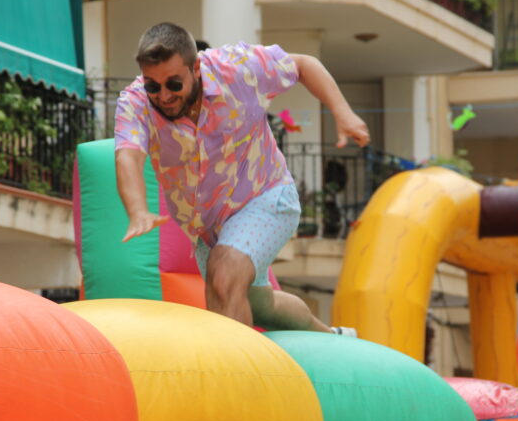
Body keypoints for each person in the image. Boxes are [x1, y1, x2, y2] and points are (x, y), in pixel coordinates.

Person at [114, 22, 370, 333]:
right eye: (153, 86)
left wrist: (342, 112)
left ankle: (241, 377)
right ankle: (333, 338)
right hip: (209, 229)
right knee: (259, 306)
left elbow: (303, 65)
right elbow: (128, 154)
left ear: (195, 68)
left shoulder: (235, 69)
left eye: (173, 84)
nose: (163, 96)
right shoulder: (135, 102)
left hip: (265, 197)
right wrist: (137, 210)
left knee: (223, 276)